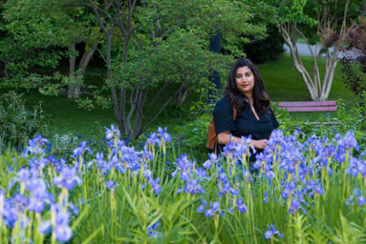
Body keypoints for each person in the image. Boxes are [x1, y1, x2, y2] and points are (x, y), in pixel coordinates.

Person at [213, 58, 279, 168]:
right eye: (239, 76)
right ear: (234, 80)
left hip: (265, 164)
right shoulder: (226, 104)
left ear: (255, 77)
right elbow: (222, 138)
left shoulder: (262, 102)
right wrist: (255, 143)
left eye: (248, 75)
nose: (244, 80)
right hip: (238, 166)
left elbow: (272, 130)